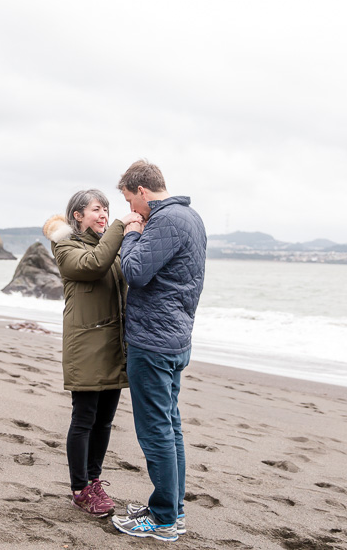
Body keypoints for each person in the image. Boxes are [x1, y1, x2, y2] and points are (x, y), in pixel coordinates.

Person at [110, 161, 207, 542]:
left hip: (153, 341)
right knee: (170, 426)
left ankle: (165, 519)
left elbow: (134, 272)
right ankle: (172, 509)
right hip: (176, 335)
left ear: (143, 191)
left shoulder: (165, 221)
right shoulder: (192, 217)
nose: (132, 211)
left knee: (155, 432)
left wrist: (132, 233)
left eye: (131, 201)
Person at [43, 189, 143, 518]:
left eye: (107, 209)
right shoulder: (66, 246)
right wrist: (119, 225)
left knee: (104, 422)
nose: (103, 214)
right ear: (78, 216)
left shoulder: (108, 245)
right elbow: (93, 265)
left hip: (114, 345)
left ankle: (94, 481)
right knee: (84, 419)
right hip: (86, 345)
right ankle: (79, 489)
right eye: (97, 209)